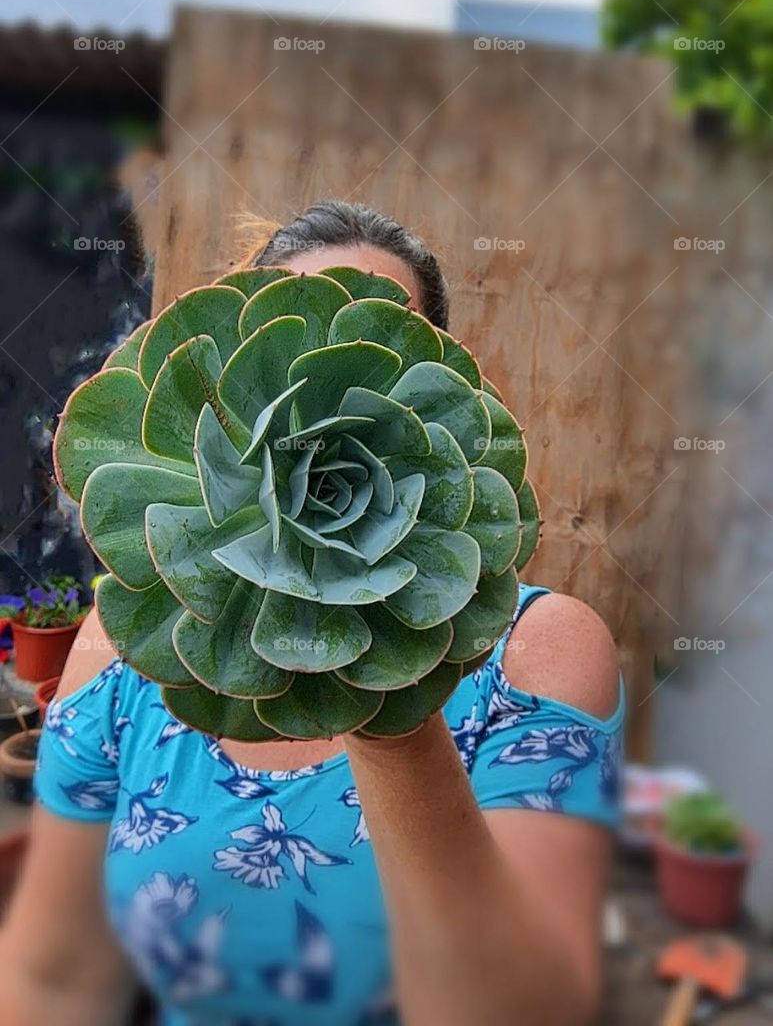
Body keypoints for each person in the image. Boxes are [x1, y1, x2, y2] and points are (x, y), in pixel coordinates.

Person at [1, 201, 623, 1026]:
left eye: (374, 338)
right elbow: (53, 981)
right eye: (300, 326)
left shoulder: (538, 656)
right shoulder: (127, 649)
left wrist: (386, 683)